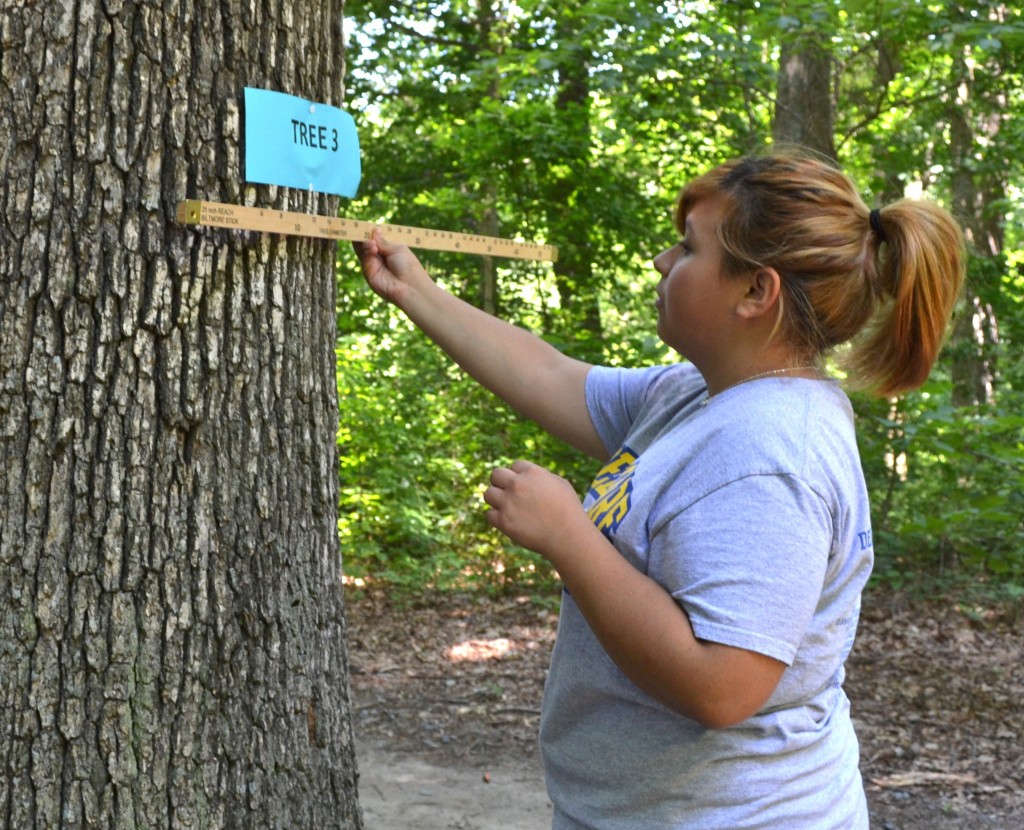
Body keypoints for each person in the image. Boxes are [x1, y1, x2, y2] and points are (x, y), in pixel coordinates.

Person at [355, 148, 965, 829]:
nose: (661, 263)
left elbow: (722, 686)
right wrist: (417, 291)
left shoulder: (771, 454)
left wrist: (568, 536)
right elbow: (552, 378)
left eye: (687, 247)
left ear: (755, 292)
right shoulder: (700, 394)